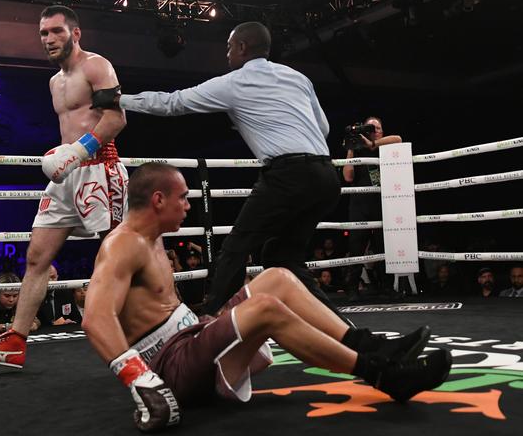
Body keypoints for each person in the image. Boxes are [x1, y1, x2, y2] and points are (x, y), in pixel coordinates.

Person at [82, 163, 450, 432]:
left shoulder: (153, 236)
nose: (188, 206)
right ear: (158, 199)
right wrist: (140, 379)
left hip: (190, 340)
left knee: (278, 278)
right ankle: (383, 376)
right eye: (183, 198)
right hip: (171, 366)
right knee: (266, 308)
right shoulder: (123, 245)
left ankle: (373, 348)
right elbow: (96, 318)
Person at [94, 21, 344, 318]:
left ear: (241, 47)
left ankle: (211, 325)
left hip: (287, 174)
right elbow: (324, 128)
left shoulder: (234, 83)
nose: (226, 55)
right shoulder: (298, 77)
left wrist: (119, 99)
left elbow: (172, 104)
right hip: (327, 175)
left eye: (229, 47)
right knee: (281, 255)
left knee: (235, 250)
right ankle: (349, 335)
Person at [0, 5, 128, 368]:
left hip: (101, 170)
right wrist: (66, 155)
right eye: (43, 33)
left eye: (56, 31)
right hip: (67, 175)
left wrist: (77, 150)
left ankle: (163, 326)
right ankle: (15, 341)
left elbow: (117, 118)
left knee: (123, 256)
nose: (49, 39)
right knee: (37, 257)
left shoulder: (96, 66)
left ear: (76, 33)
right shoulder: (55, 82)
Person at [342, 116, 402, 300]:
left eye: (377, 128)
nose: (374, 130)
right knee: (356, 247)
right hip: (359, 205)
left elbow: (398, 139)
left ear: (382, 131)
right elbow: (348, 177)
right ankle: (352, 288)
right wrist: (351, 149)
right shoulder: (358, 150)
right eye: (371, 127)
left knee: (383, 248)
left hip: (382, 205)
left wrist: (372, 144)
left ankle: (387, 287)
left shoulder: (386, 148)